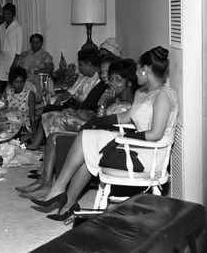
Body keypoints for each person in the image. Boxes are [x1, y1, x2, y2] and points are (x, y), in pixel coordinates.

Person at [31, 46, 178, 222]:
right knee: (87, 146)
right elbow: (125, 117)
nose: (136, 73)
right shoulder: (142, 92)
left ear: (146, 69)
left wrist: (121, 139)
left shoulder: (163, 95)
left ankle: (59, 191)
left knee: (87, 142)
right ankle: (66, 203)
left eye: (138, 68)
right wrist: (96, 122)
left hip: (146, 156)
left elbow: (154, 134)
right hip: (133, 148)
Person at [18, 57, 138, 198]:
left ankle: (47, 184)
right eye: (111, 79)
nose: (112, 83)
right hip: (95, 132)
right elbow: (101, 120)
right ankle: (45, 182)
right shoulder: (117, 97)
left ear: (129, 82)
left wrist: (103, 103)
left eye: (117, 80)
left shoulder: (125, 106)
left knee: (55, 136)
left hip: (101, 140)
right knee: (52, 135)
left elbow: (103, 123)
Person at [16, 34, 54, 101]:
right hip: (21, 78)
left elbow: (50, 69)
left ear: (41, 43)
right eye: (33, 42)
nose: (35, 44)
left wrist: (33, 71)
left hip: (36, 79)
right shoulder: (25, 54)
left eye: (37, 42)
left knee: (25, 91)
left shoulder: (45, 55)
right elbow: (15, 67)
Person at [0, 3, 23, 91]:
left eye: (8, 14)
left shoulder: (18, 27)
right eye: (4, 13)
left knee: (10, 82)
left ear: (13, 14)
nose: (6, 16)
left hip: (12, 57)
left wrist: (14, 63)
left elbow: (19, 49)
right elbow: (0, 44)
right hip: (2, 56)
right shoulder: (1, 26)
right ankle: (0, 102)